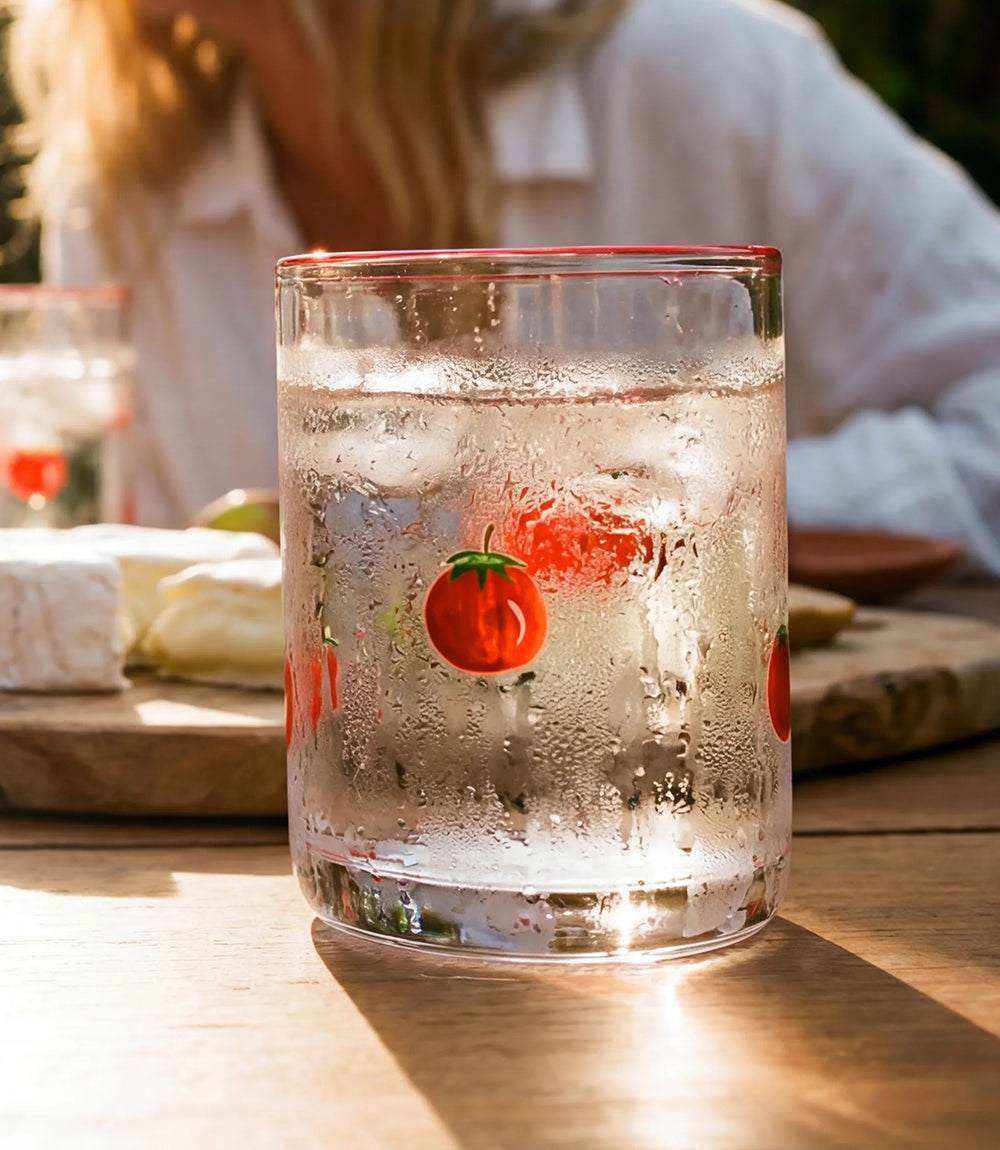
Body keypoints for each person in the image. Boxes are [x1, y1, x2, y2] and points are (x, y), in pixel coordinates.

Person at [11, 0, 1000, 574]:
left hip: (775, 786)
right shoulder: (124, 190)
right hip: (311, 837)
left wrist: (617, 520)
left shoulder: (710, 74)